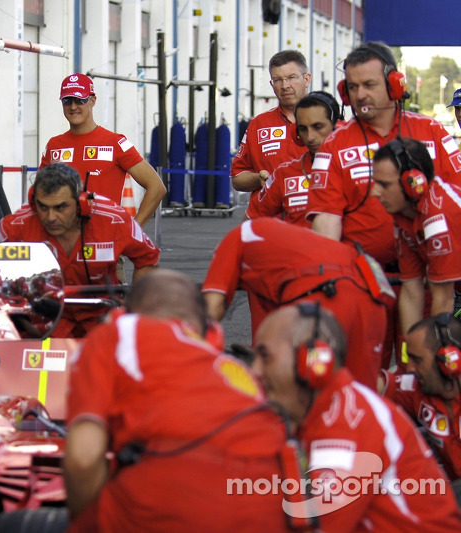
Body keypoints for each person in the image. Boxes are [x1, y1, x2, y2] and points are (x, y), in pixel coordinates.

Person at [64, 269, 291, 532]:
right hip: (270, 507)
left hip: (172, 506)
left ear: (124, 315)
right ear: (208, 329)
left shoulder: (117, 334)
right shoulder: (238, 374)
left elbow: (83, 457)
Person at [252, 303, 461, 531]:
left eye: (265, 357)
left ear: (311, 363)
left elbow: (319, 525)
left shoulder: (341, 429)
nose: (255, 371)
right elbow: (385, 384)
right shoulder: (342, 405)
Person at [307, 41, 461, 268]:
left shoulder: (433, 132)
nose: (360, 95)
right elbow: (326, 221)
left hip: (431, 279)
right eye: (353, 87)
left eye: (369, 84)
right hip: (361, 283)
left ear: (394, 85)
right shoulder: (332, 147)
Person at [202, 217, 389, 388]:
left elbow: (211, 310)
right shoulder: (279, 240)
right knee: (362, 392)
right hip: (371, 292)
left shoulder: (230, 245)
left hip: (326, 294)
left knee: (302, 385)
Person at [0, 163, 159, 338]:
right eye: (43, 207)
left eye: (60, 207)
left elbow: (147, 258)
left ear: (81, 203)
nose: (50, 217)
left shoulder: (115, 220)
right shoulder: (17, 223)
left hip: (102, 322)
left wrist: (136, 301)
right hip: (43, 323)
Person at [39, 74, 166, 227]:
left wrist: (133, 233)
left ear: (92, 101)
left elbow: (157, 187)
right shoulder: (54, 145)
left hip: (103, 244)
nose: (73, 106)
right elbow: (40, 195)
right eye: (67, 100)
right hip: (61, 243)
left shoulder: (115, 143)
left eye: (80, 100)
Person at [370, 137, 461, 333]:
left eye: (384, 185)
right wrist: (411, 354)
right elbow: (411, 290)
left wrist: (429, 359)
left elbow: (443, 300)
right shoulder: (404, 214)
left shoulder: (439, 215)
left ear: (413, 183)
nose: (374, 193)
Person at [380, 313, 461, 483]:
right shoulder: (417, 389)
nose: (409, 368)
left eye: (417, 360)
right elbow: (373, 385)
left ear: (448, 361)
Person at [246, 91, 341, 226]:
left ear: (336, 126)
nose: (310, 137)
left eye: (318, 127)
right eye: (303, 129)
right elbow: (250, 223)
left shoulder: (356, 168)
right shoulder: (284, 174)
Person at [230, 50, 311, 197]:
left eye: (291, 77)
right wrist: (258, 178)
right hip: (269, 215)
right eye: (277, 80)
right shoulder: (259, 125)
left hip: (315, 215)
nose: (285, 85)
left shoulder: (331, 123)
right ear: (271, 84)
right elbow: (237, 179)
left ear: (307, 79)